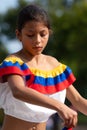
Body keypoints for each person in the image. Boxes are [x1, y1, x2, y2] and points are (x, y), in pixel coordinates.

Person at [0, 4, 87, 130]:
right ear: (19, 34)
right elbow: (18, 90)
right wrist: (60, 106)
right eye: (30, 35)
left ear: (49, 33)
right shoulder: (13, 62)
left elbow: (78, 101)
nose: (38, 40)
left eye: (43, 34)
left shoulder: (54, 66)